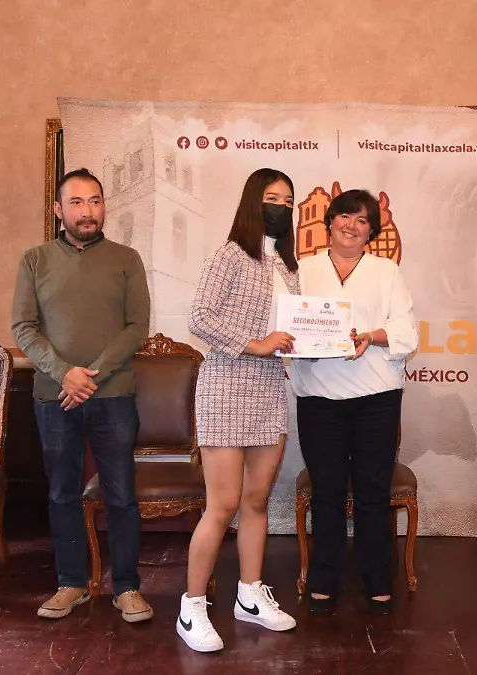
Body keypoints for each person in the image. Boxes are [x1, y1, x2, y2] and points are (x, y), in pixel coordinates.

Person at [12, 168, 152, 623]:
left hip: (114, 396)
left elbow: (137, 327)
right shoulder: (35, 260)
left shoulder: (126, 259)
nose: (87, 211)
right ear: (59, 210)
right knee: (61, 493)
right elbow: (23, 328)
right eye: (76, 202)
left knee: (121, 494)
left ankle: (127, 587)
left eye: (95, 201)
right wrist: (64, 375)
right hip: (55, 397)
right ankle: (72, 583)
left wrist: (90, 376)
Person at [180, 168, 301, 652]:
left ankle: (250, 595)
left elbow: (289, 331)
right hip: (226, 386)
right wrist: (257, 343)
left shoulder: (289, 267)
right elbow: (199, 318)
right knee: (223, 504)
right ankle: (192, 607)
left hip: (270, 388)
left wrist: (308, 342)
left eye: (288, 201)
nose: (281, 207)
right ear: (254, 201)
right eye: (273, 197)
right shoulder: (229, 254)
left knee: (256, 501)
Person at [288, 189, 418, 616]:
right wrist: (300, 344)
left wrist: (371, 336)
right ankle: (324, 578)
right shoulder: (303, 269)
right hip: (318, 397)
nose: (351, 225)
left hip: (376, 397)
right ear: (329, 222)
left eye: (362, 220)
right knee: (326, 491)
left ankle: (377, 578)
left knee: (372, 493)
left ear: (371, 231)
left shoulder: (387, 272)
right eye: (345, 216)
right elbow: (285, 327)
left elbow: (406, 332)